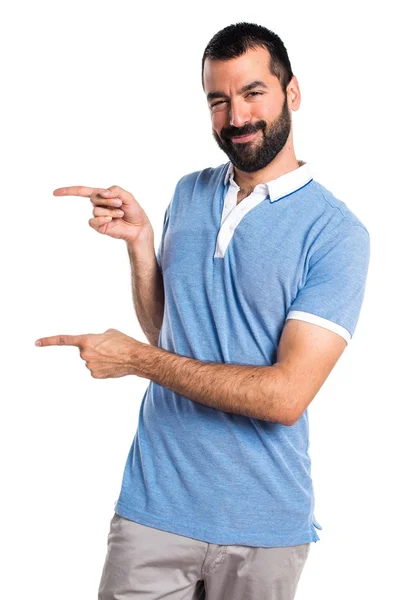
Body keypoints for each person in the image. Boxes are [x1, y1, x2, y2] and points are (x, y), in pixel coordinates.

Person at [35, 22, 370, 600]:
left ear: (291, 93)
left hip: (264, 527)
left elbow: (285, 397)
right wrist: (141, 245)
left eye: (253, 93)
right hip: (155, 506)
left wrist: (138, 361)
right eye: (219, 100)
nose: (236, 116)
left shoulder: (336, 233)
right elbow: (170, 332)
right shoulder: (189, 194)